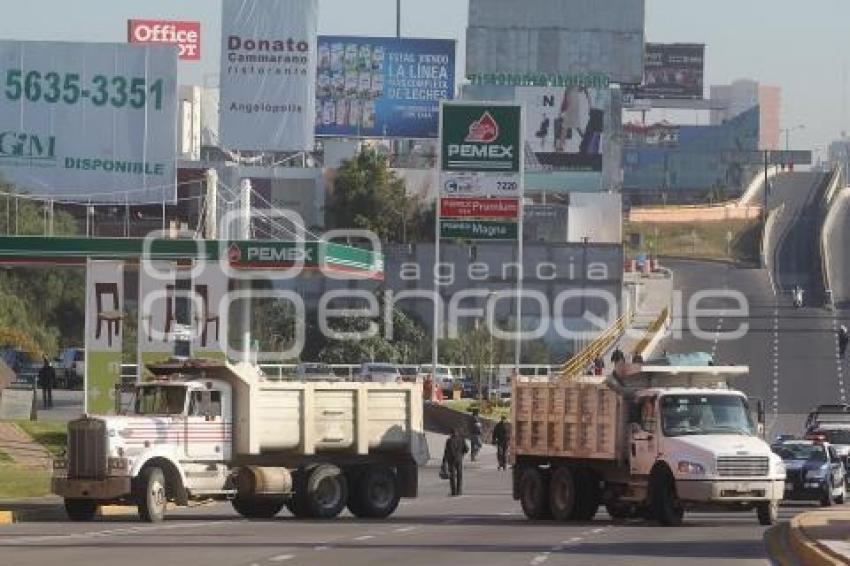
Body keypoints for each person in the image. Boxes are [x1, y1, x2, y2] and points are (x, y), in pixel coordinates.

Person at [442, 428, 468, 496]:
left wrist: (444, 461)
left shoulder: (449, 441)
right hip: (459, 459)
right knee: (459, 475)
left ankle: (453, 492)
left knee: (452, 476)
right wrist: (461, 454)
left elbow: (446, 452)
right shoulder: (462, 440)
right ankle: (459, 491)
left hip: (451, 460)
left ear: (451, 433)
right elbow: (466, 449)